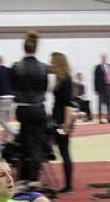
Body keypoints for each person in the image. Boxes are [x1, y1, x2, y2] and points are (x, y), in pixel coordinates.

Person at [11, 31, 49, 182]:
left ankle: (23, 176)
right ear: (36, 48)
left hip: (22, 109)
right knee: (36, 145)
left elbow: (13, 86)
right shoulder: (43, 68)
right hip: (38, 108)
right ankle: (33, 179)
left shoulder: (16, 67)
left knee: (24, 142)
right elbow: (44, 88)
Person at [50, 52, 76, 193]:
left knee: (65, 152)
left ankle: (68, 184)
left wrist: (66, 124)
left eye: (53, 62)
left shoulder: (65, 81)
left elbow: (68, 105)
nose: (51, 64)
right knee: (62, 151)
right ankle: (67, 183)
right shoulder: (60, 79)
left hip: (62, 120)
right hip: (58, 118)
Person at [0, 56, 16, 142]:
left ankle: (14, 132)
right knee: (6, 119)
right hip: (10, 96)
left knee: (2, 120)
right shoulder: (9, 70)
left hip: (2, 97)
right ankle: (6, 139)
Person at [93, 53, 110, 124]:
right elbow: (95, 79)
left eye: (105, 57)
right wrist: (96, 89)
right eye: (102, 57)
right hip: (101, 88)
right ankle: (100, 119)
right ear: (100, 58)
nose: (104, 58)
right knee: (100, 103)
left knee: (109, 103)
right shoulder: (98, 67)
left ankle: (108, 118)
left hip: (109, 86)